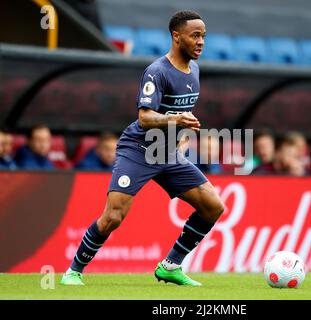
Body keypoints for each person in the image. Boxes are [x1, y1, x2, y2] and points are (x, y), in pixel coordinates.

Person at [61, 11, 224, 286]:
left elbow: (178, 111)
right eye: (195, 35)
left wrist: (179, 132)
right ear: (176, 36)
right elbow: (145, 117)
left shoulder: (194, 69)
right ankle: (73, 272)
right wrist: (175, 120)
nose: (201, 42)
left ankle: (171, 265)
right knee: (113, 216)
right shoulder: (157, 71)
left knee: (213, 206)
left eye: (203, 36)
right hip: (138, 149)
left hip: (166, 152)